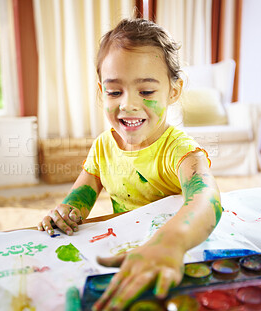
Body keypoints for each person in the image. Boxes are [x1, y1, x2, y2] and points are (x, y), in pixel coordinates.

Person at [37, 18, 222, 311]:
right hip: (124, 257)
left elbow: (207, 199)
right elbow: (77, 202)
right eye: (114, 92)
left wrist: (171, 242)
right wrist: (64, 213)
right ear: (101, 91)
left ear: (173, 91)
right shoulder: (103, 147)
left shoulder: (180, 150)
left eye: (146, 92)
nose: (128, 104)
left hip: (174, 260)